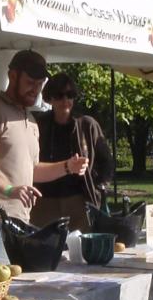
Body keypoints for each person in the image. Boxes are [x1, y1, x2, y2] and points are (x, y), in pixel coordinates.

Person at [0, 51, 88, 264]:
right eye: (30, 82)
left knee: (15, 292)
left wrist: (67, 167)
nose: (34, 89)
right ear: (12, 75)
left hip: (19, 222)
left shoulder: (31, 119)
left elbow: (33, 169)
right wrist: (9, 189)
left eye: (39, 84)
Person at [30, 72, 113, 232]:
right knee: (43, 249)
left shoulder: (87, 125)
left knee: (80, 250)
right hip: (44, 200)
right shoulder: (38, 125)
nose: (65, 100)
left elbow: (107, 161)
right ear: (50, 98)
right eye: (59, 95)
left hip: (78, 200)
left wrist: (99, 186)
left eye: (70, 95)